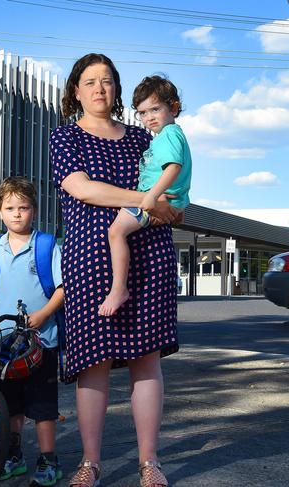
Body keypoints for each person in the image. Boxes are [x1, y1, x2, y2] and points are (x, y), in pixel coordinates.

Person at [50, 53, 180, 487]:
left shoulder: (144, 138)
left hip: (149, 256)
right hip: (89, 260)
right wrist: (145, 201)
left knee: (147, 361)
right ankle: (90, 462)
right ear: (76, 91)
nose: (99, 89)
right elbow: (82, 189)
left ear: (116, 89)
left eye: (106, 81)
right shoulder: (65, 137)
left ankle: (149, 462)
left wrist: (172, 206)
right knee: (93, 363)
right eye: (90, 82)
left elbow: (173, 185)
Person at [0, 176, 65, 486]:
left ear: (35, 211)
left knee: (42, 407)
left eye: (23, 207)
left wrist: (43, 314)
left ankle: (48, 460)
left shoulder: (46, 245)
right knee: (9, 404)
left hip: (42, 342)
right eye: (10, 207)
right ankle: (13, 456)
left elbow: (62, 288)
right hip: (2, 343)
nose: (17, 213)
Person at [99, 75, 192, 317]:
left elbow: (173, 167)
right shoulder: (167, 135)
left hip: (154, 200)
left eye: (155, 109)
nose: (148, 117)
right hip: (167, 200)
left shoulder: (169, 134)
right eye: (142, 112)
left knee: (116, 232)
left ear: (173, 107)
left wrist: (150, 197)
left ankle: (119, 288)